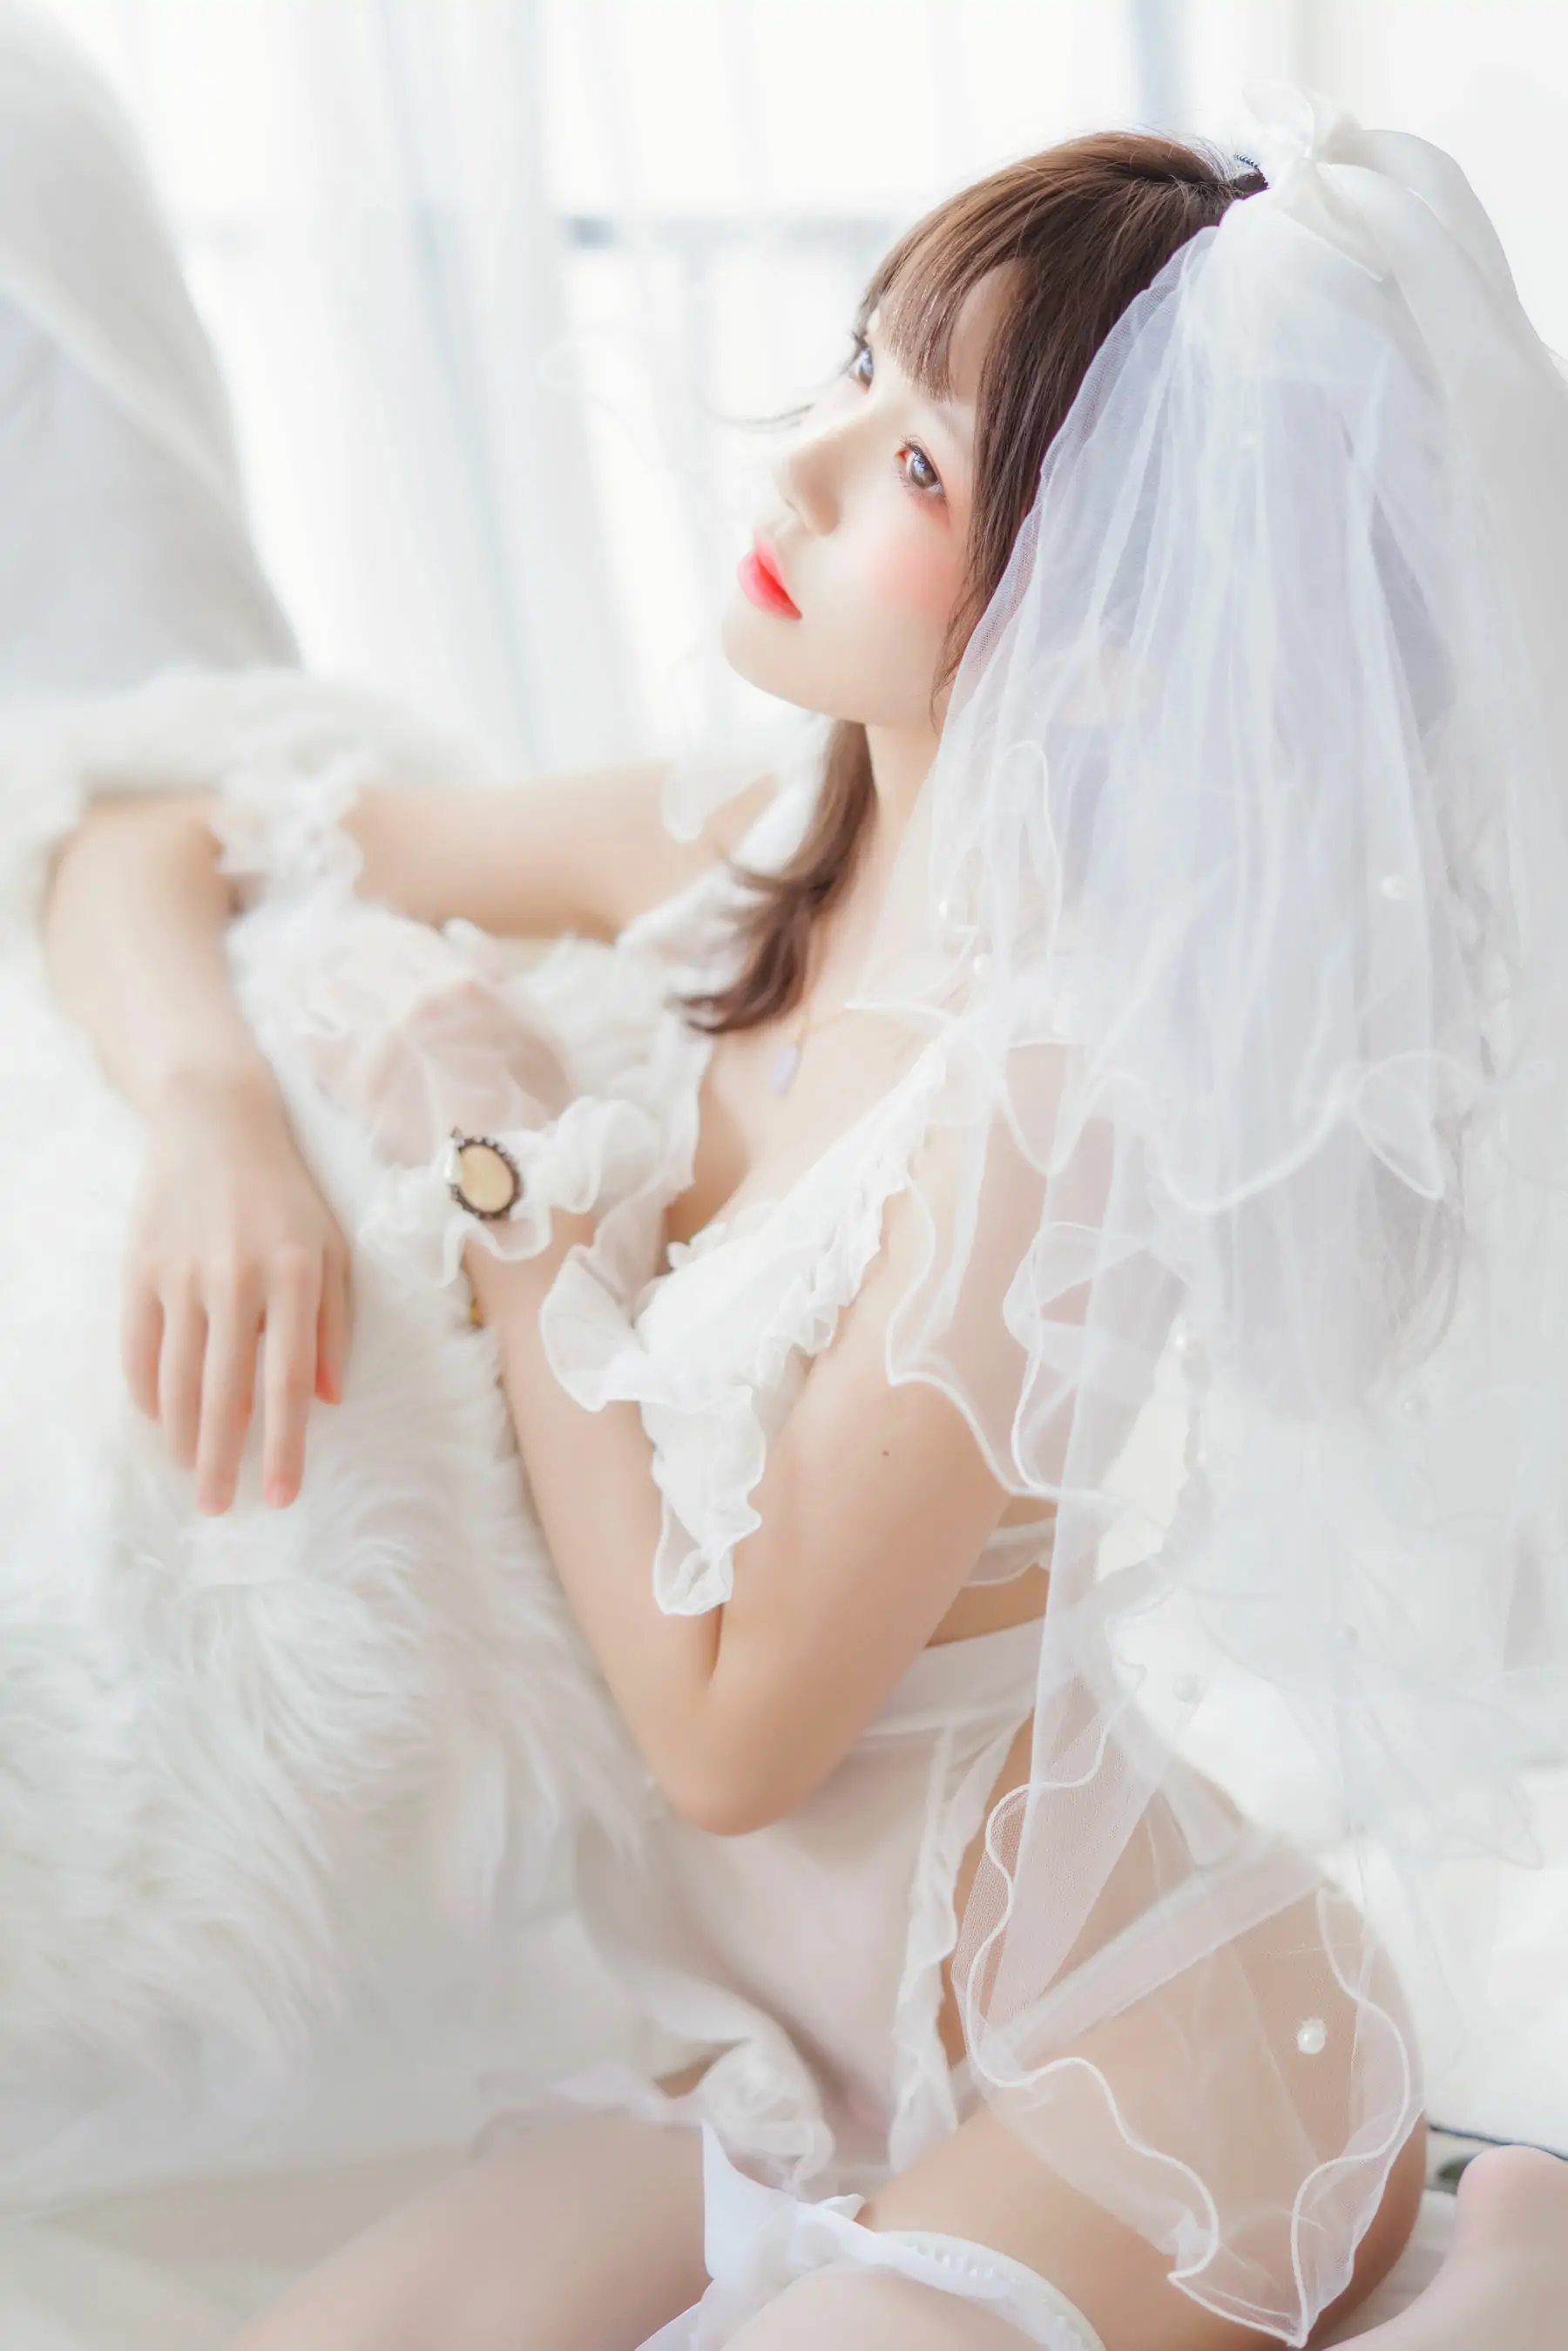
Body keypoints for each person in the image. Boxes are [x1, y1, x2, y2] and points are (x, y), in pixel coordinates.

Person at [33, 78, 1568, 2351]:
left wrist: (508, 1173)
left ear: (1108, 624)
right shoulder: (739, 849)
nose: (807, 465)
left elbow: (732, 1737)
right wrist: (211, 1116)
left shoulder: (1057, 1091)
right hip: (748, 2048)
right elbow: (145, 835)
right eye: (862, 364)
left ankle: (1506, 2276)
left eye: (918, 467)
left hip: (1138, 2048)